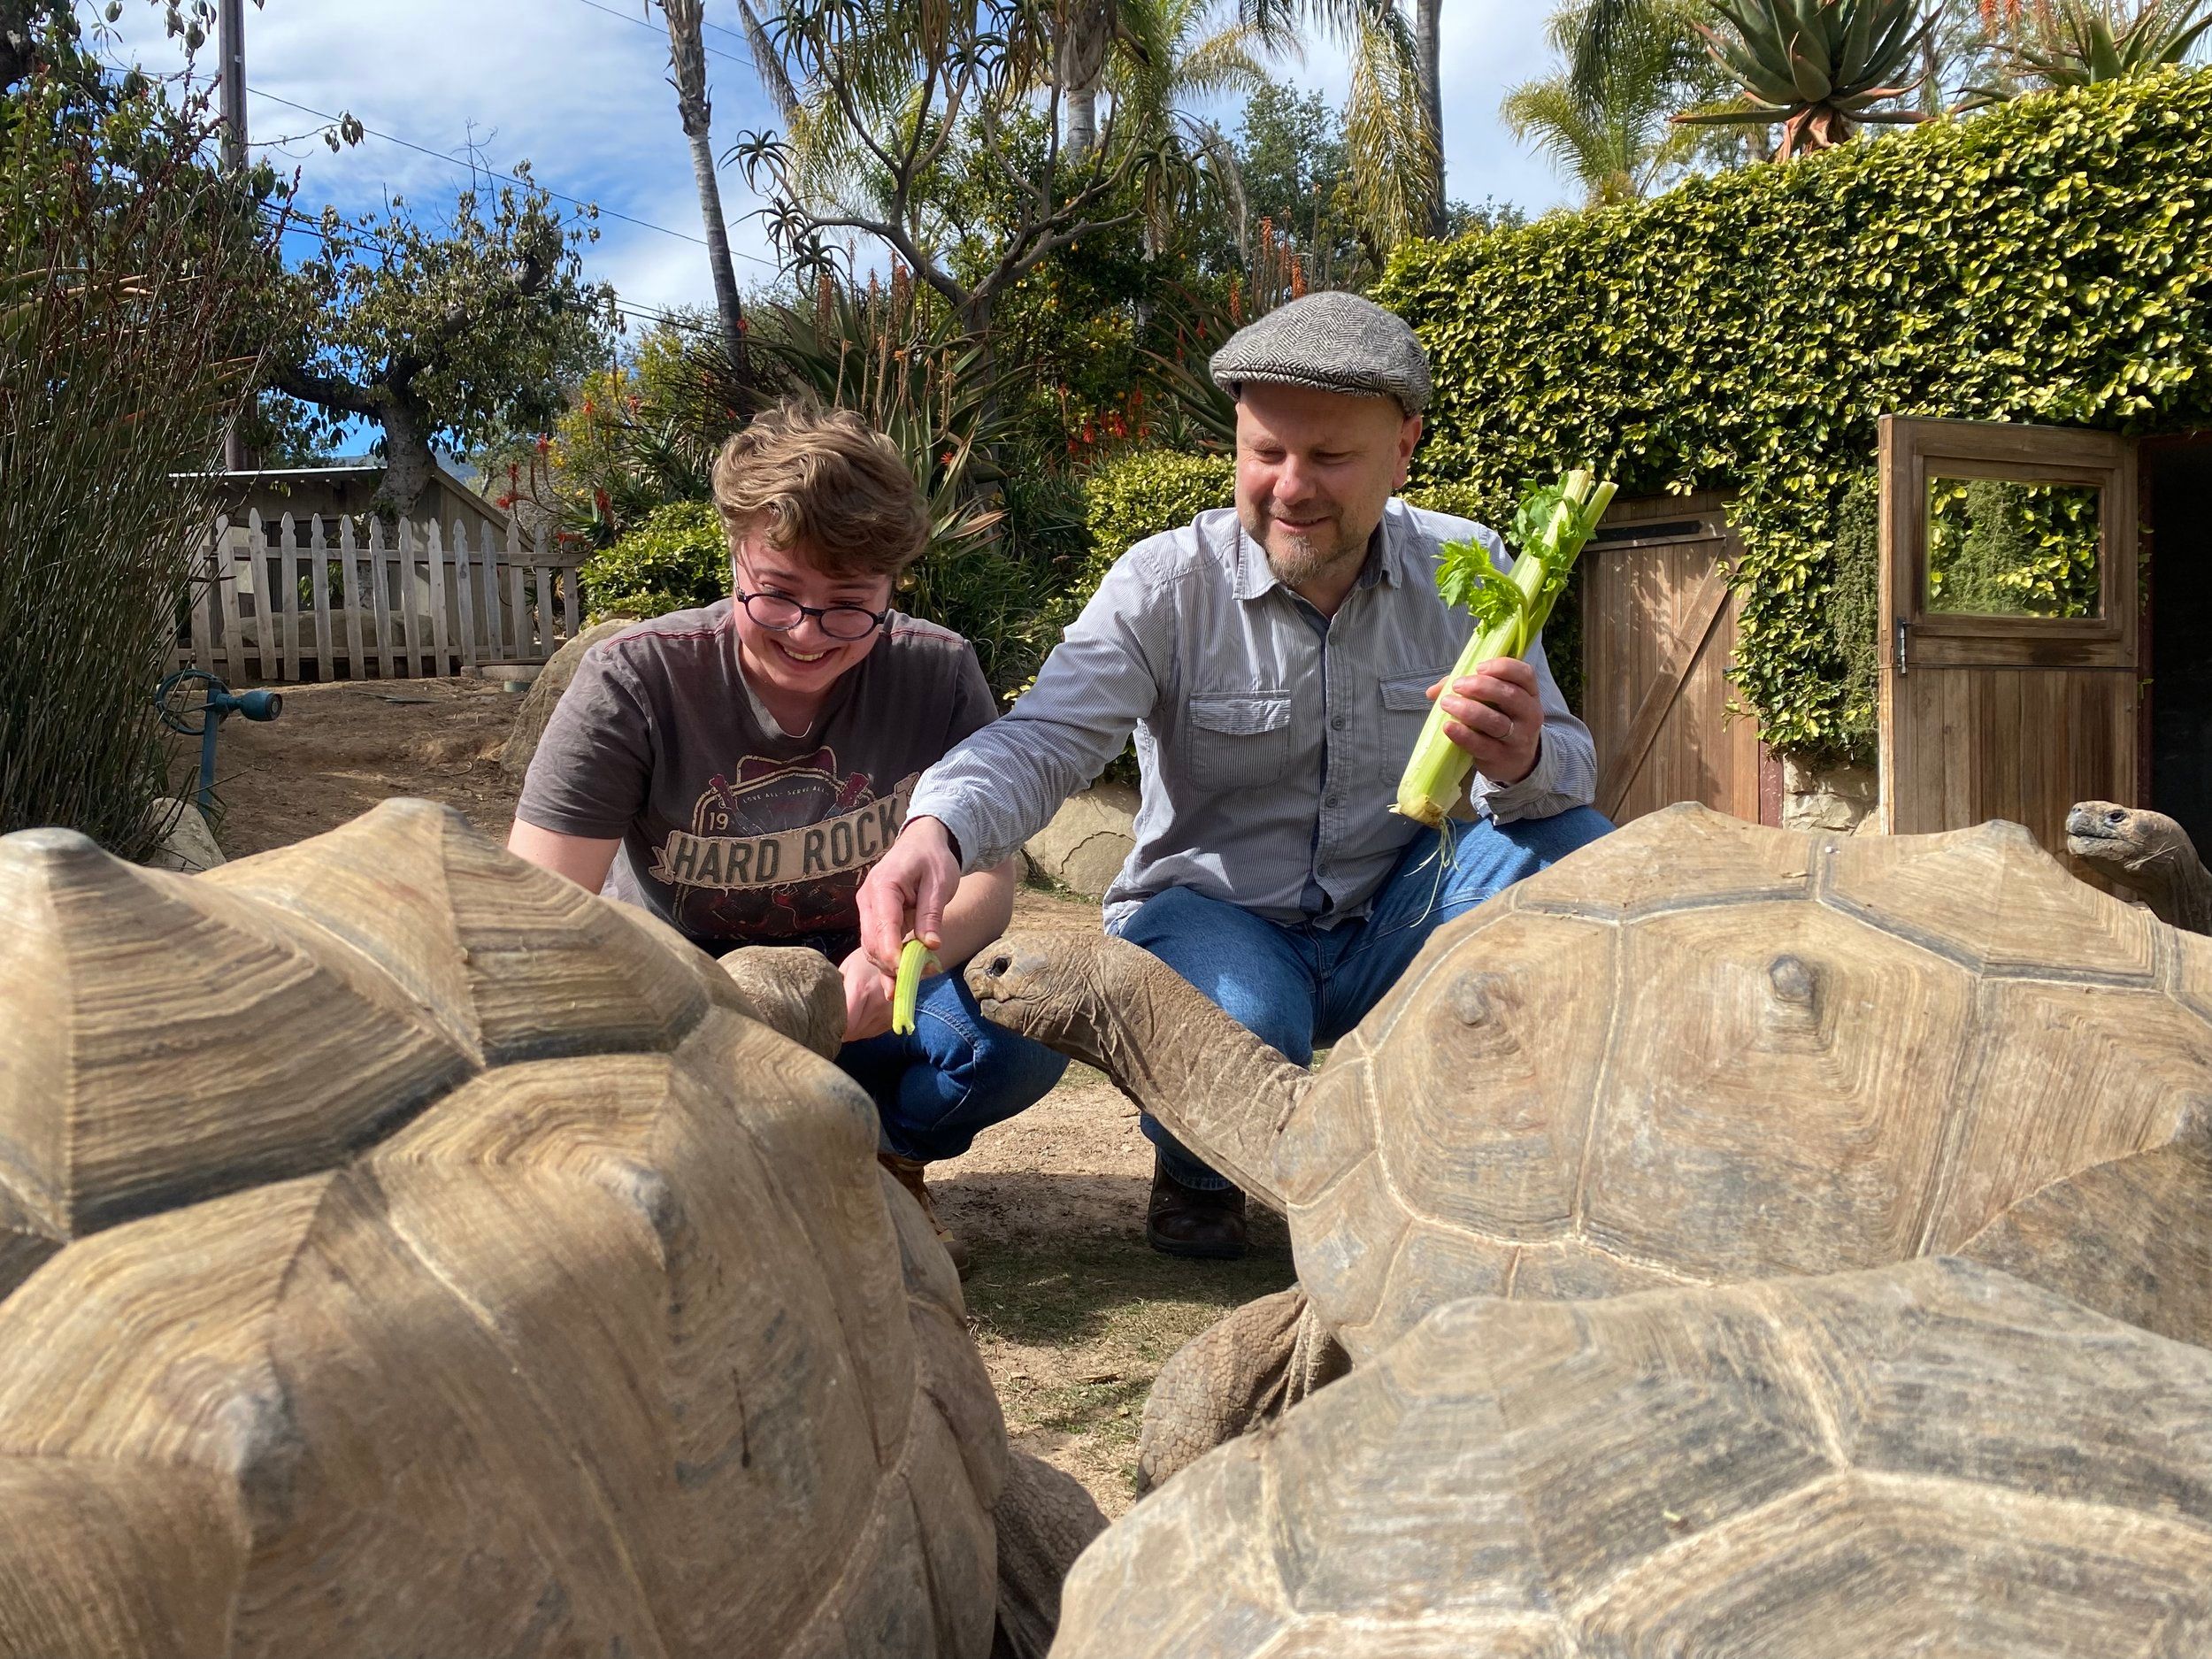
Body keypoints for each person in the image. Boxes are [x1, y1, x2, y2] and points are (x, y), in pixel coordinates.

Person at [858, 291, 1611, 1260]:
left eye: (1330, 457)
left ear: (1403, 448)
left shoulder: (1470, 568)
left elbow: (1570, 769)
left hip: (1400, 911)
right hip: (1218, 917)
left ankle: (1485, 1153)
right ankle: (1199, 1164)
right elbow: (1045, 736)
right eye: (1265, 452)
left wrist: (1526, 758)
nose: (1291, 487)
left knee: (1575, 859)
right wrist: (939, 830)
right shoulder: (1165, 584)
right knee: (1244, 1019)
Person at [507, 397, 1066, 1272]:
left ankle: (884, 1158)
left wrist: (889, 969)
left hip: (871, 996)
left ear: (894, 585)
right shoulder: (634, 681)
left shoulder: (938, 672)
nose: (807, 635)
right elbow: (534, 912)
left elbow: (989, 886)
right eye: (776, 596)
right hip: (691, 1013)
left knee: (1022, 1033)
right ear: (734, 551)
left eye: (849, 606)